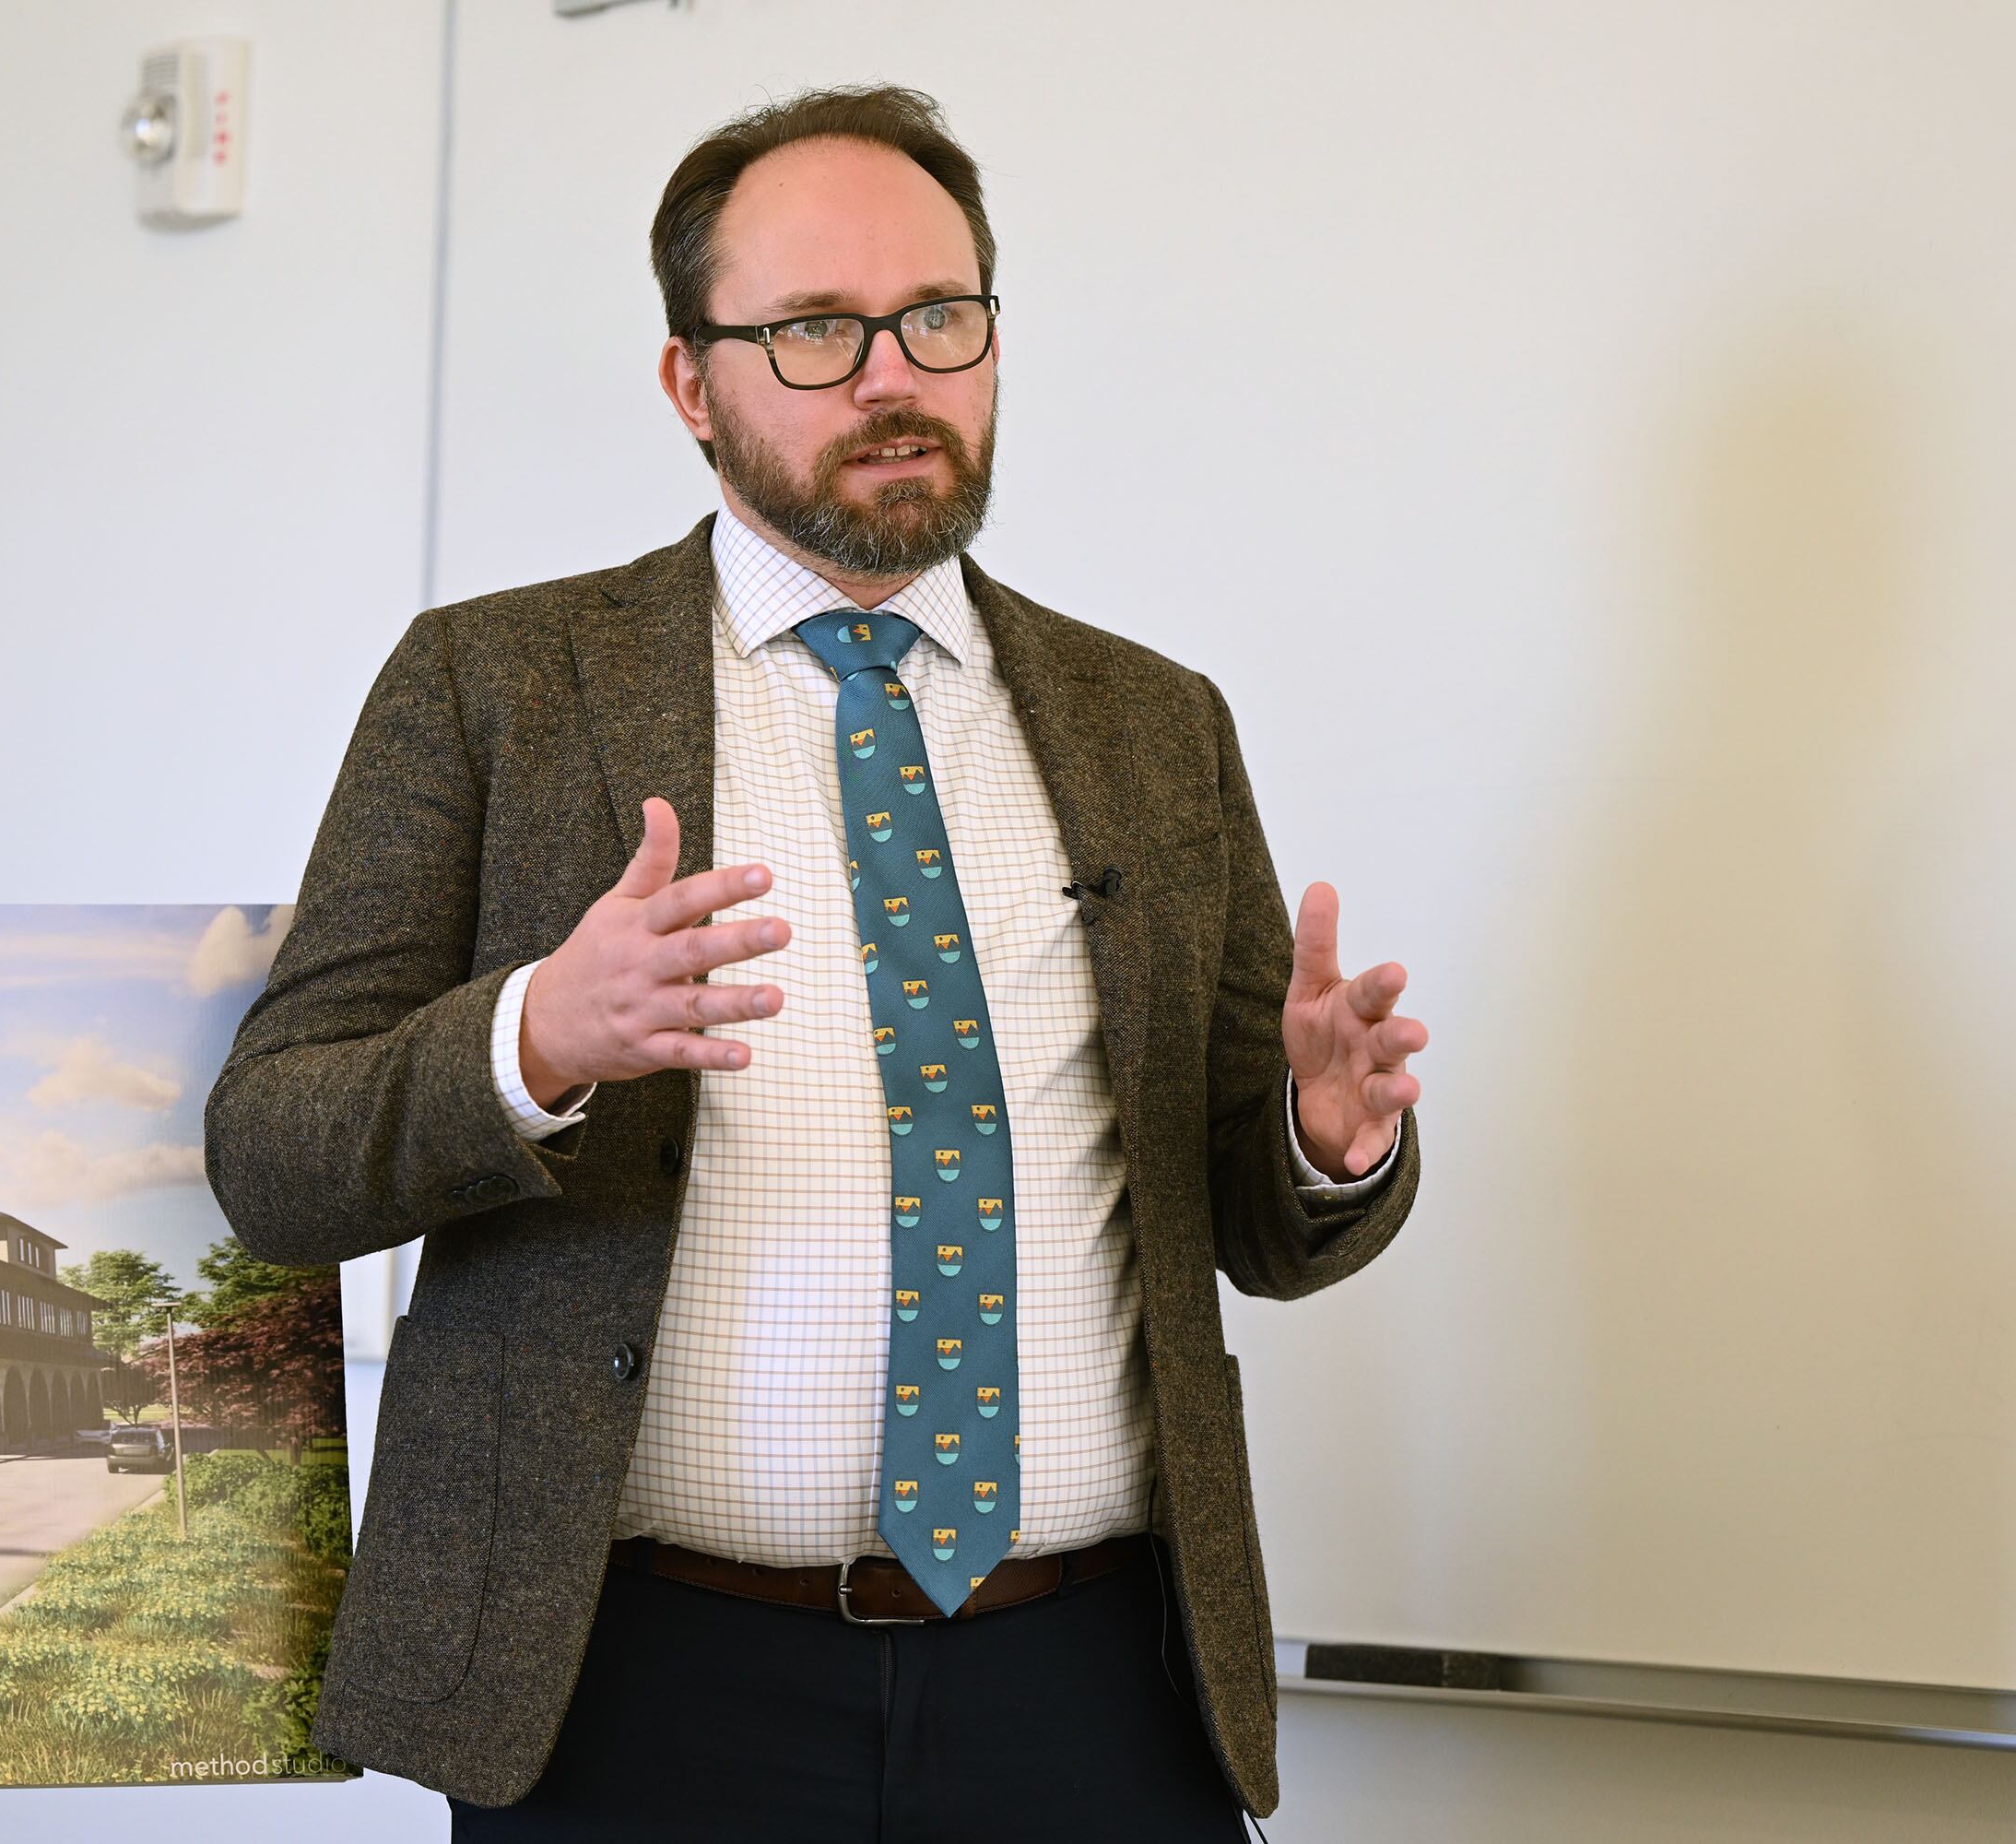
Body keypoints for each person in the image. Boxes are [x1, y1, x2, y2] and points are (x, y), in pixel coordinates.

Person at [203, 85, 1428, 1839]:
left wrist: (1325, 1137)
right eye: (813, 331)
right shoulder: (495, 685)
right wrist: (537, 1036)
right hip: (634, 1690)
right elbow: (272, 1153)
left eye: (939, 316)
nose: (891, 376)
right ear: (691, 385)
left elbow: (1255, 1225)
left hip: (1088, 1689)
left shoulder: (1155, 725)